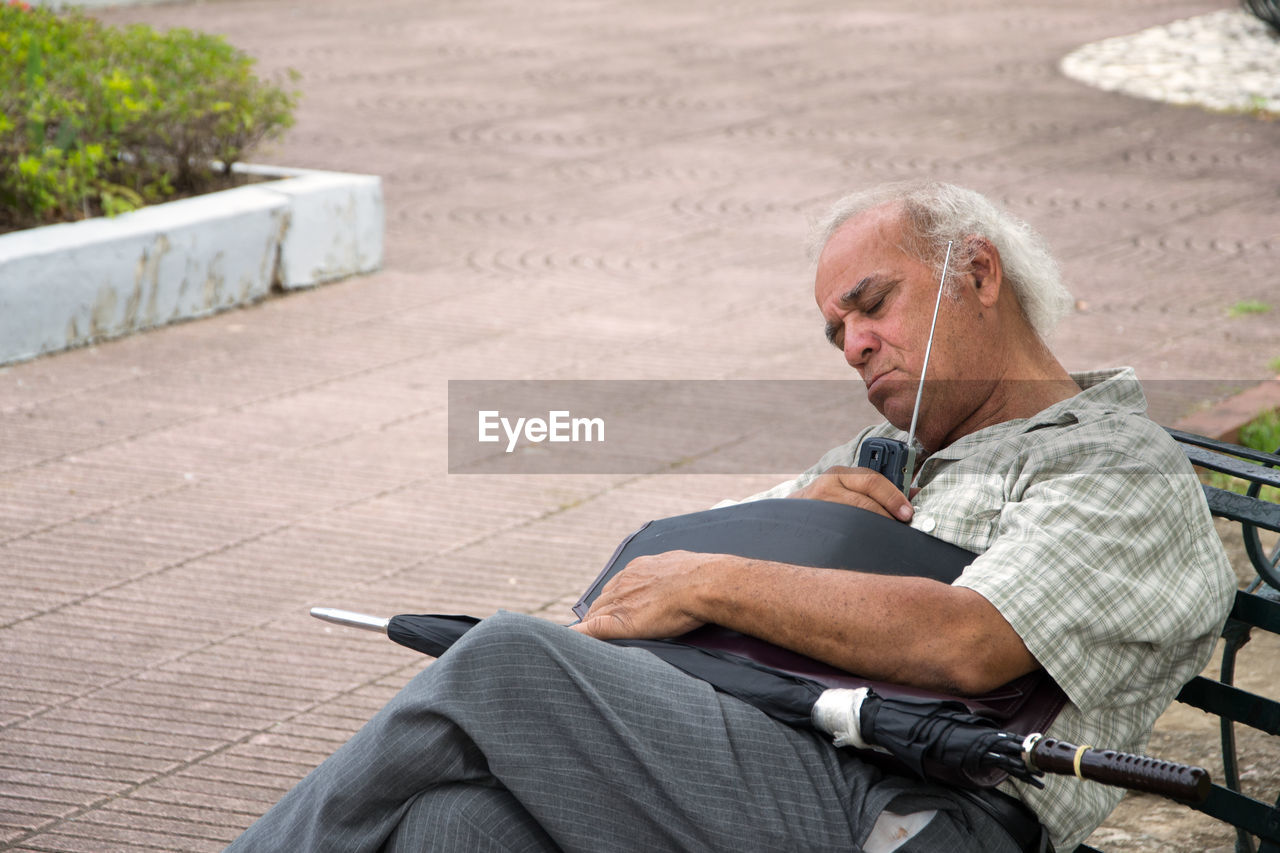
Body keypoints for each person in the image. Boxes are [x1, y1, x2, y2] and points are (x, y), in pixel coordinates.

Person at [224, 181, 1235, 853]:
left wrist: (723, 578)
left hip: (914, 807)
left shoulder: (1112, 469)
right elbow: (643, 578)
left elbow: (972, 645)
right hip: (756, 755)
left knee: (503, 665)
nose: (852, 344)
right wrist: (791, 518)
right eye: (835, 330)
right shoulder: (877, 462)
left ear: (976, 274)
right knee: (456, 825)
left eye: (872, 303)